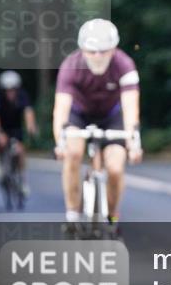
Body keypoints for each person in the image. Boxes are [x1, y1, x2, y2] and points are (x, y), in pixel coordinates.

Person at [53, 19, 142, 234]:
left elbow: (131, 106)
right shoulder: (70, 66)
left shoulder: (125, 64)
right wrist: (60, 142)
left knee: (115, 167)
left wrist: (134, 142)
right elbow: (61, 109)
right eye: (92, 51)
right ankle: (73, 214)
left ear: (114, 49)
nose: (98, 56)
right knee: (73, 153)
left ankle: (112, 216)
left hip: (112, 116)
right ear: (83, 49)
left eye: (104, 51)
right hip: (79, 115)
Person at [0, 71, 38, 195]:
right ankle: (1, 164)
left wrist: (31, 127)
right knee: (1, 142)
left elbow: (28, 112)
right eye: (7, 90)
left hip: (17, 128)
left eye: (13, 89)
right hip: (2, 127)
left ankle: (23, 180)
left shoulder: (23, 95)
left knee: (20, 151)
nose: (10, 92)